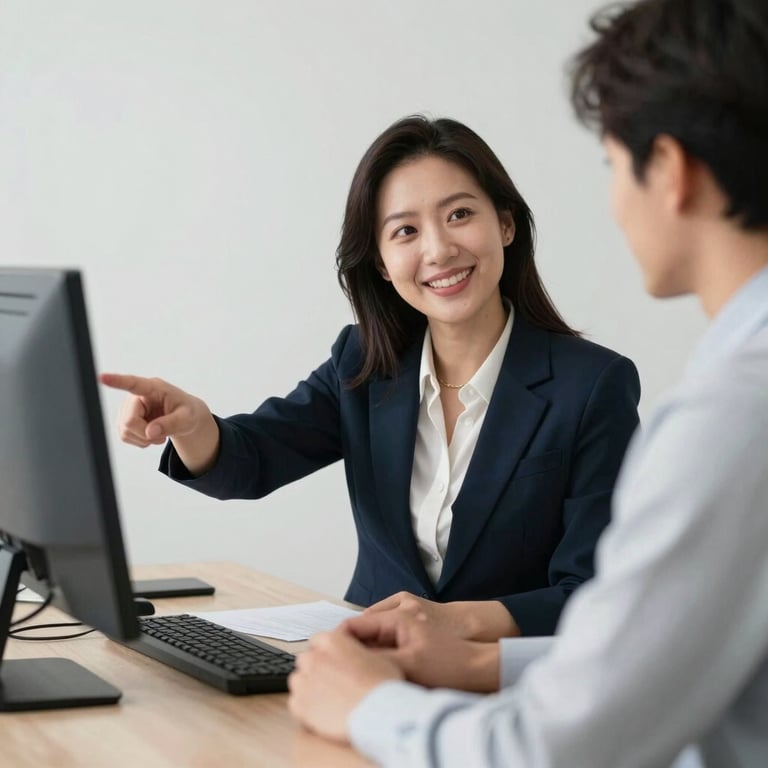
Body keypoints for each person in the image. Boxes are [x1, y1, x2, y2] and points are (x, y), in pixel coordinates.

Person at [286, 1, 768, 766]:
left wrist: (371, 706)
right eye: (405, 230)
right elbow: (648, 657)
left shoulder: (730, 417)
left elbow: (561, 743)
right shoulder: (738, 390)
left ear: (670, 173)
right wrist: (480, 662)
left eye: (612, 165)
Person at [102, 116, 639, 640]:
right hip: (367, 669)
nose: (437, 250)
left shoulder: (592, 386)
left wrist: (459, 622)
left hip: (506, 687)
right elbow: (253, 461)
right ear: (382, 263)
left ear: (505, 223)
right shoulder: (363, 362)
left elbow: (596, 591)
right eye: (405, 230)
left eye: (458, 215)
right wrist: (194, 426)